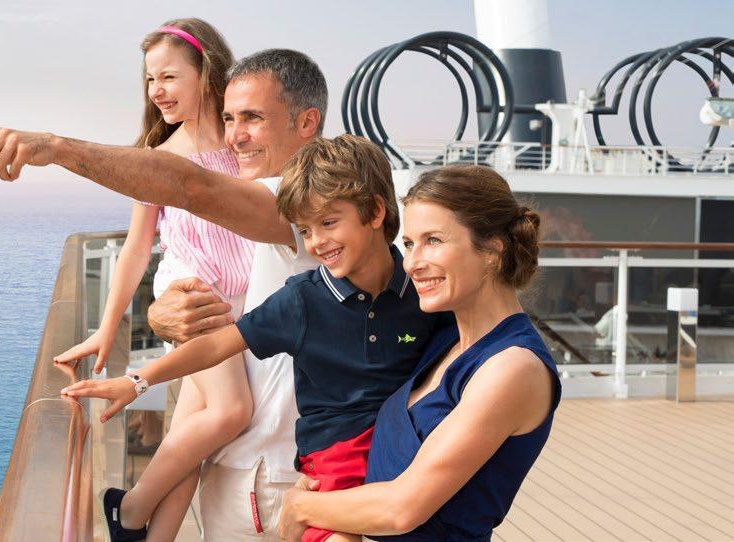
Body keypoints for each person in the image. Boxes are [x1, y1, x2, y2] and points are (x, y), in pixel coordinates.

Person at [0, 49, 327, 540]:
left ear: (307, 122)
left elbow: (189, 187)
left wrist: (57, 148)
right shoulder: (276, 193)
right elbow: (239, 315)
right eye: (230, 118)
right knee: (195, 427)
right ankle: (133, 520)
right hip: (244, 467)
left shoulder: (305, 204)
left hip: (269, 479)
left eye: (253, 118)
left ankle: (128, 512)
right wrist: (153, 332)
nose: (236, 134)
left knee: (210, 417)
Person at [60, 135, 454, 542]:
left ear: (375, 211)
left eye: (328, 223)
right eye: (305, 229)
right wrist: (137, 382)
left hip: (401, 457)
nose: (317, 242)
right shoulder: (302, 300)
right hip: (335, 467)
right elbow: (218, 345)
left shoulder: (422, 290)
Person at [274, 165, 559, 541]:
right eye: (409, 244)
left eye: (433, 240)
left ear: (492, 248)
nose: (412, 263)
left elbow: (401, 509)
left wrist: (300, 506)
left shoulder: (512, 367)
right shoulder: (444, 341)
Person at [50, 19, 253, 542]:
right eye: (148, 79)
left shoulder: (245, 145)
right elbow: (137, 248)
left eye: (167, 76)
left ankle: (144, 532)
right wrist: (106, 327)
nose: (155, 90)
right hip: (193, 298)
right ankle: (131, 508)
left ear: (206, 72)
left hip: (240, 301)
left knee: (190, 437)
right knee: (231, 411)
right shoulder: (157, 159)